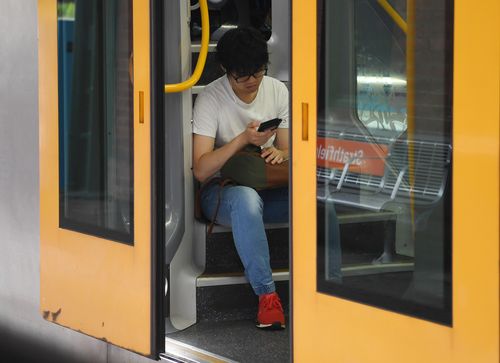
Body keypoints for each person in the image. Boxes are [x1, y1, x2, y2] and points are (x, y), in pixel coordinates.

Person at [192, 27, 289, 329]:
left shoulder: (276, 89)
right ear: (225, 70)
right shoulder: (211, 98)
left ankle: (331, 287)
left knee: (317, 197)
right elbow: (201, 169)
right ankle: (267, 298)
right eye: (242, 76)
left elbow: (286, 149)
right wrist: (241, 141)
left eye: (258, 73)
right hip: (222, 190)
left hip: (266, 183)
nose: (252, 82)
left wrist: (282, 155)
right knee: (246, 202)